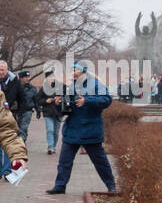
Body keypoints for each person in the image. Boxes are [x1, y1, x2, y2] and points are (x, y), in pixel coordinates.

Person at [45, 61, 117, 195]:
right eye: (71, 71)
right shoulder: (71, 87)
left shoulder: (96, 84)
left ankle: (111, 185)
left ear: (83, 71)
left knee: (100, 161)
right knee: (64, 161)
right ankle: (60, 186)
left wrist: (87, 100)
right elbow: (67, 109)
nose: (73, 73)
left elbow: (107, 100)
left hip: (91, 130)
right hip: (72, 129)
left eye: (75, 70)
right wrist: (59, 103)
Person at [36, 69, 63, 153]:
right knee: (50, 129)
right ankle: (50, 147)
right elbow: (38, 100)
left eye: (53, 76)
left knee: (56, 131)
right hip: (48, 112)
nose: (52, 78)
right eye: (50, 77)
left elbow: (66, 98)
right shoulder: (43, 88)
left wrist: (60, 100)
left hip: (58, 112)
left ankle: (54, 146)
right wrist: (45, 101)